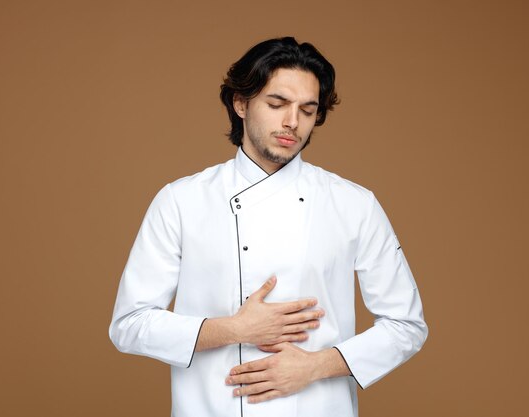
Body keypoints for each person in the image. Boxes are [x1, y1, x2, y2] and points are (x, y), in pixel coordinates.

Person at [109, 36, 427, 417]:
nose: (292, 122)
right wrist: (234, 329)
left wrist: (316, 365)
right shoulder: (181, 201)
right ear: (240, 103)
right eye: (277, 104)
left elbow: (406, 325)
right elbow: (129, 324)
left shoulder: (354, 204)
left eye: (307, 110)